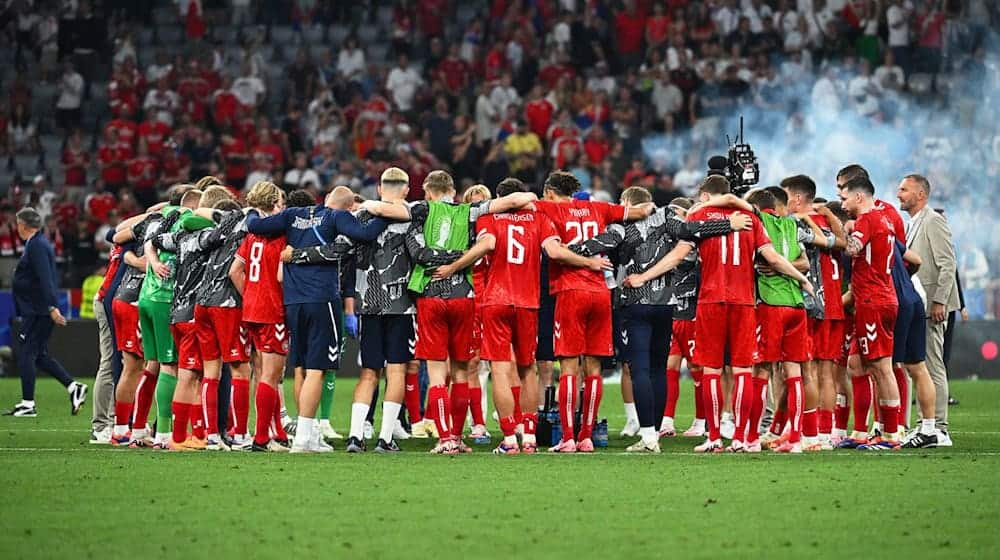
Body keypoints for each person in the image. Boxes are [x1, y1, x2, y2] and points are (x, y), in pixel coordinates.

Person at [632, 175, 812, 453]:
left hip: (711, 301)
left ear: (706, 194)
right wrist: (802, 278)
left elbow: (676, 256)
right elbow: (773, 258)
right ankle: (740, 438)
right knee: (742, 371)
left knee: (712, 371)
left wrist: (644, 276)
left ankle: (714, 437)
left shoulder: (701, 214)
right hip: (743, 302)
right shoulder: (749, 217)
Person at [433, 178, 611, 454]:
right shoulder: (539, 219)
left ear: (501, 199)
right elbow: (553, 250)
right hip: (529, 302)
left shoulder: (490, 219)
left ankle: (509, 438)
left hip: (496, 300)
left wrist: (454, 266)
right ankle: (528, 435)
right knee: (529, 369)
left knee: (501, 370)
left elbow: (486, 245)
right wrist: (590, 262)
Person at [573, 187, 748, 452]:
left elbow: (597, 244)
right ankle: (653, 430)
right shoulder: (669, 216)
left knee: (640, 368)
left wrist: (563, 250)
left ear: (627, 203)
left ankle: (648, 437)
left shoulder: (621, 225)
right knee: (658, 369)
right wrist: (729, 224)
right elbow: (690, 230)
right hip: (667, 305)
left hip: (635, 303)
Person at [250, 174, 392, 453]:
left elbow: (256, 225)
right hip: (322, 301)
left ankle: (310, 431)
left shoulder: (292, 214)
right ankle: (304, 438)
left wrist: (250, 212)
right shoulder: (336, 217)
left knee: (302, 367)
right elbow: (366, 234)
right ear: (348, 208)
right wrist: (386, 213)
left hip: (292, 303)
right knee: (318, 369)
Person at [532, 171, 653, 453]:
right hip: (601, 294)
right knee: (594, 369)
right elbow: (641, 210)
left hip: (570, 292)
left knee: (570, 369)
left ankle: (569, 438)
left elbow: (556, 253)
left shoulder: (550, 209)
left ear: (549, 191)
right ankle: (586, 436)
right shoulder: (598, 207)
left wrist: (587, 262)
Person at [839, 175, 904, 450]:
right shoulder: (884, 218)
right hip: (875, 298)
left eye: (843, 198)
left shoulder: (867, 219)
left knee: (881, 368)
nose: (841, 203)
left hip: (873, 299)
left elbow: (852, 248)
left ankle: (891, 435)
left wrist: (839, 232)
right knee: (856, 363)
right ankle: (861, 433)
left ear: (858, 197)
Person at [4, 208, 87, 417]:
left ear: (22, 225)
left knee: (26, 353)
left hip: (38, 309)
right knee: (38, 355)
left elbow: (45, 278)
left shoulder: (37, 246)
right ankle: (73, 387)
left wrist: (51, 307)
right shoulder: (36, 243)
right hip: (37, 308)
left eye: (17, 224)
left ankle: (28, 404)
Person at [898, 174, 958, 446]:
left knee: (933, 366)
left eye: (904, 189)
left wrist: (940, 301)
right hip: (919, 303)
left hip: (932, 304)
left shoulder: (933, 220)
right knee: (920, 364)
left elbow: (948, 264)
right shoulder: (913, 223)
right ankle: (926, 424)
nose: (899, 194)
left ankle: (940, 428)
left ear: (920, 194)